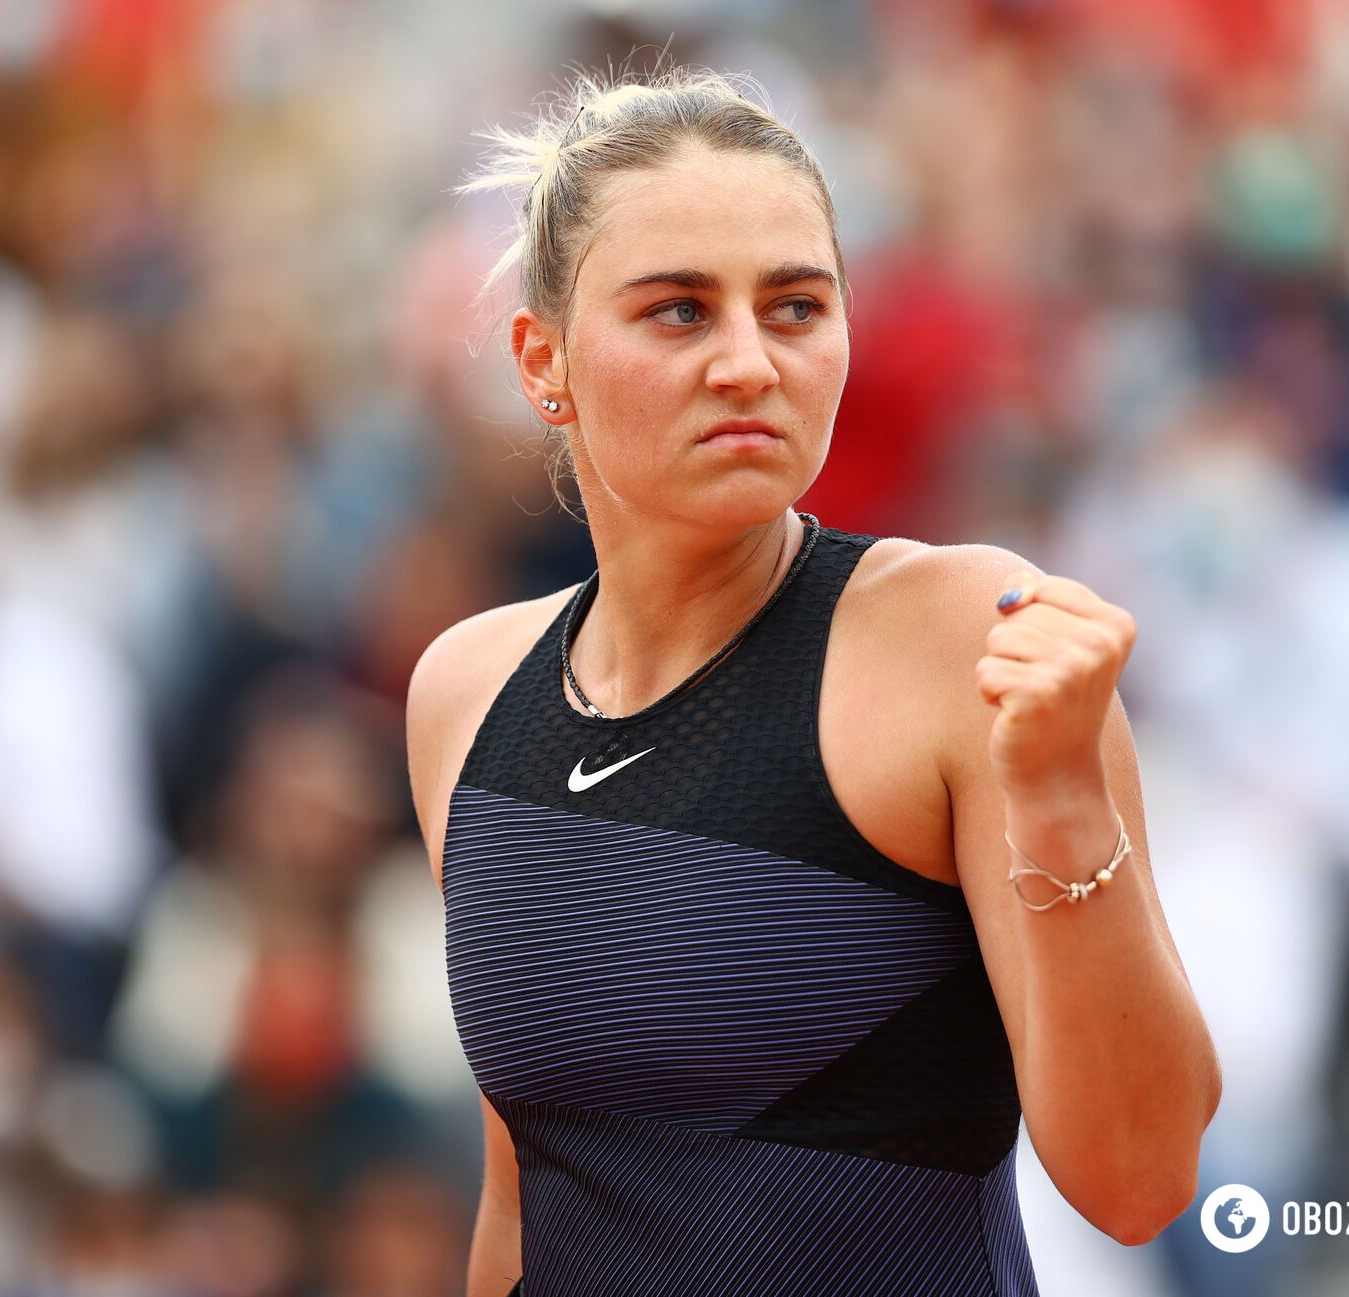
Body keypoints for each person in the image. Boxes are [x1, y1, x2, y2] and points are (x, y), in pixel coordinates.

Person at [403, 68, 1220, 1297]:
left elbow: (1138, 1178)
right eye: (677, 312)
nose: (746, 361)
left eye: (793, 307)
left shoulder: (967, 636)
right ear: (543, 359)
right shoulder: (464, 692)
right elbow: (520, 1201)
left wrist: (1059, 797)